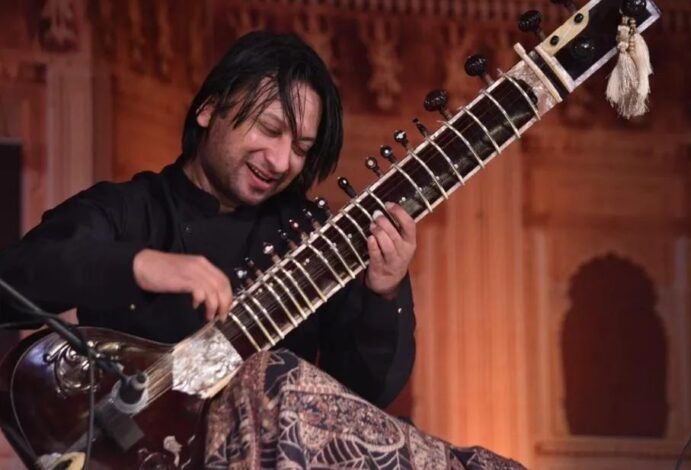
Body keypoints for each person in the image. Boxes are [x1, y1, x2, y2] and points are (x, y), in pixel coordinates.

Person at [0, 31, 524, 469]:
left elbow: (366, 396)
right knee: (274, 373)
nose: (280, 161)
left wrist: (383, 293)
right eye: (270, 130)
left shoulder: (313, 238)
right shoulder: (126, 211)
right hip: (126, 452)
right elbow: (14, 283)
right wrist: (141, 265)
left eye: (301, 149)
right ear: (209, 109)